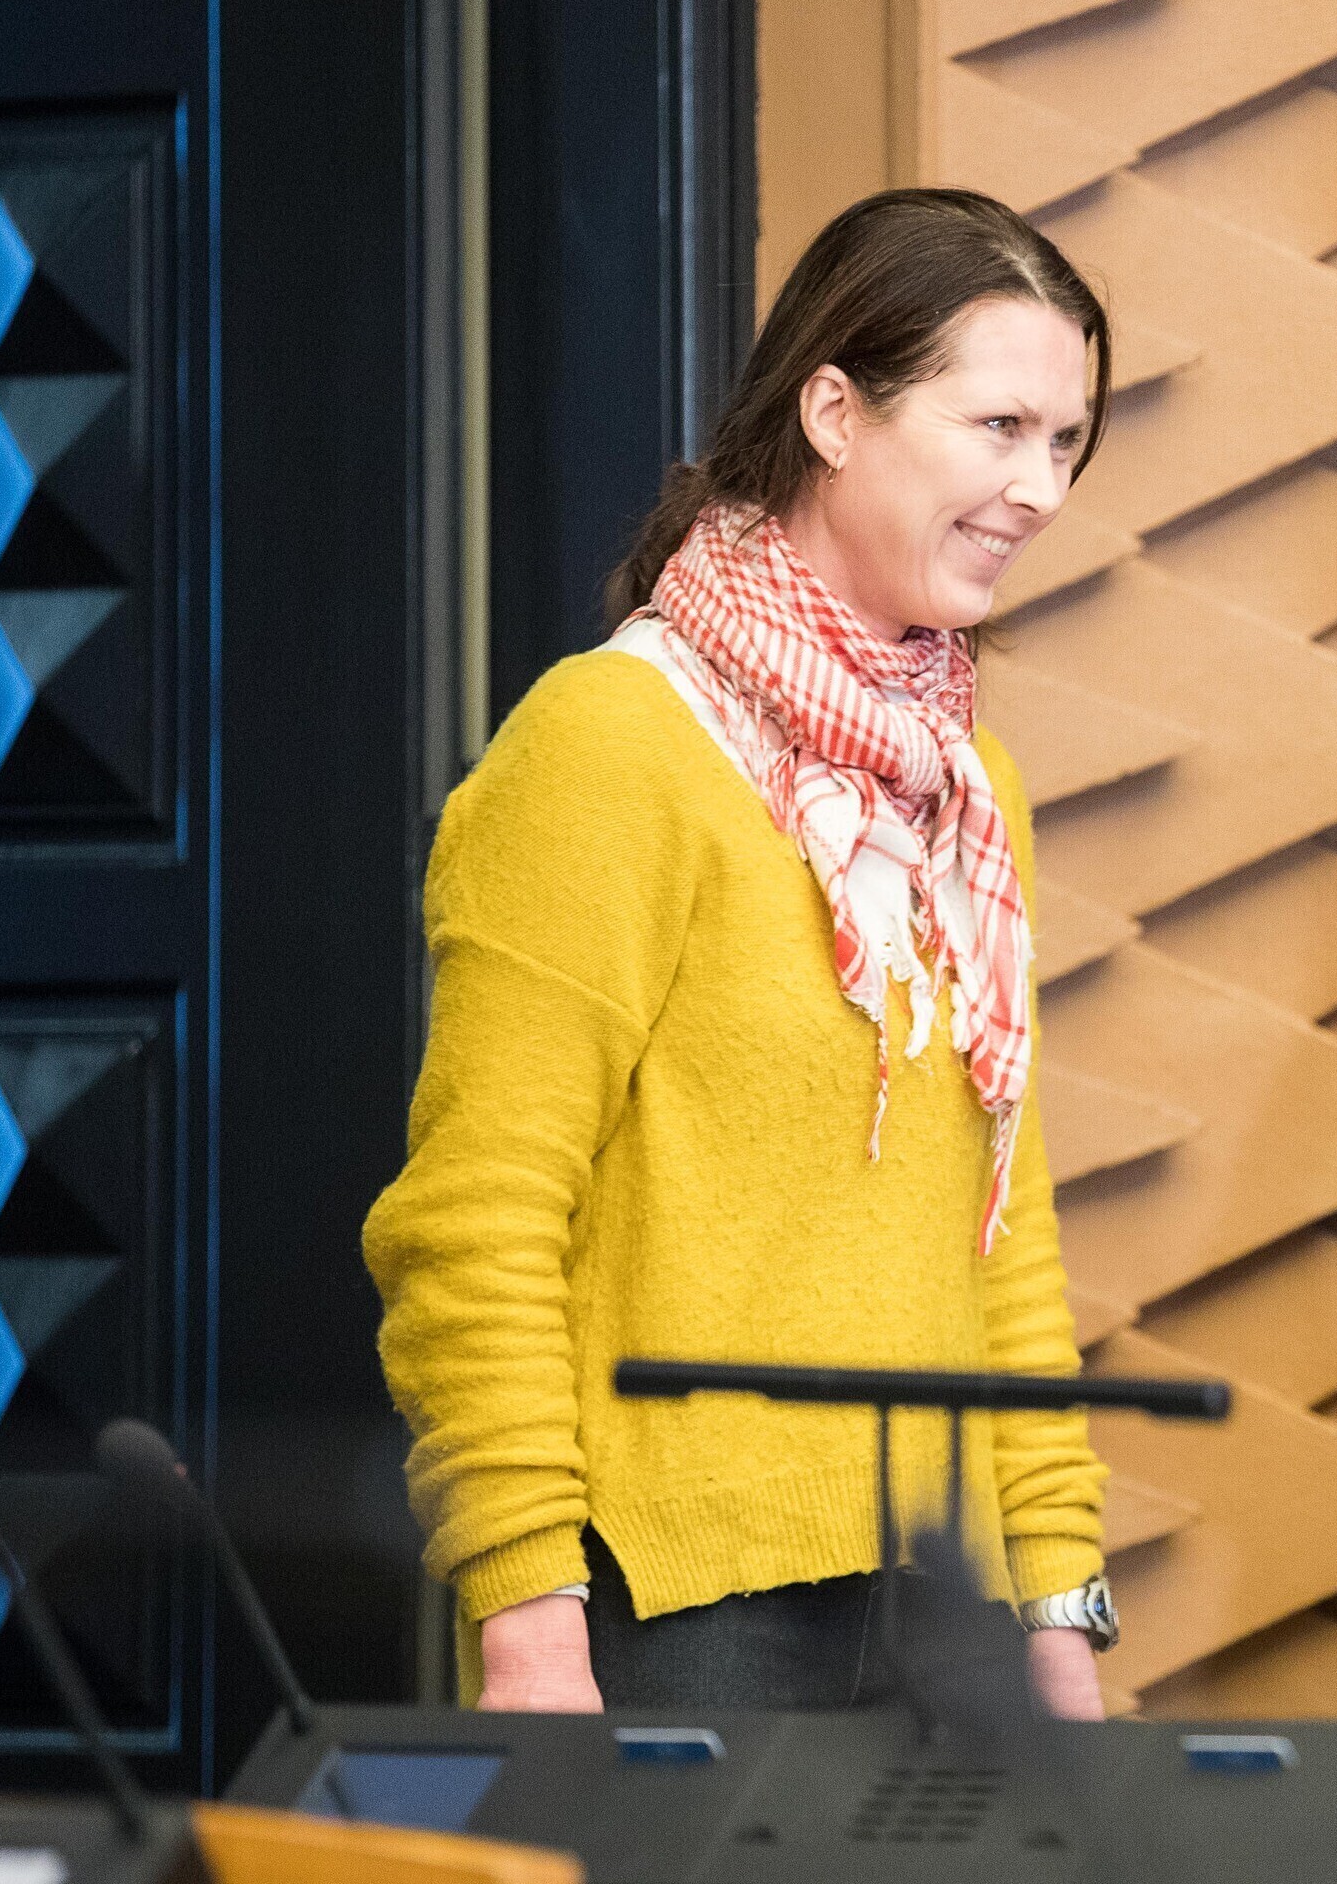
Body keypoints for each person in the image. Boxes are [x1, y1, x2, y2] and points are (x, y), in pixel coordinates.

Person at [363, 188, 1119, 1718]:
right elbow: (473, 1224)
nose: (1040, 487)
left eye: (1067, 441)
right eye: (999, 427)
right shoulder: (610, 744)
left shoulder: (969, 788)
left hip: (949, 1610)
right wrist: (526, 1614)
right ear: (834, 413)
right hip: (678, 1606)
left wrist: (1058, 1600)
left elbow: (1005, 1233)